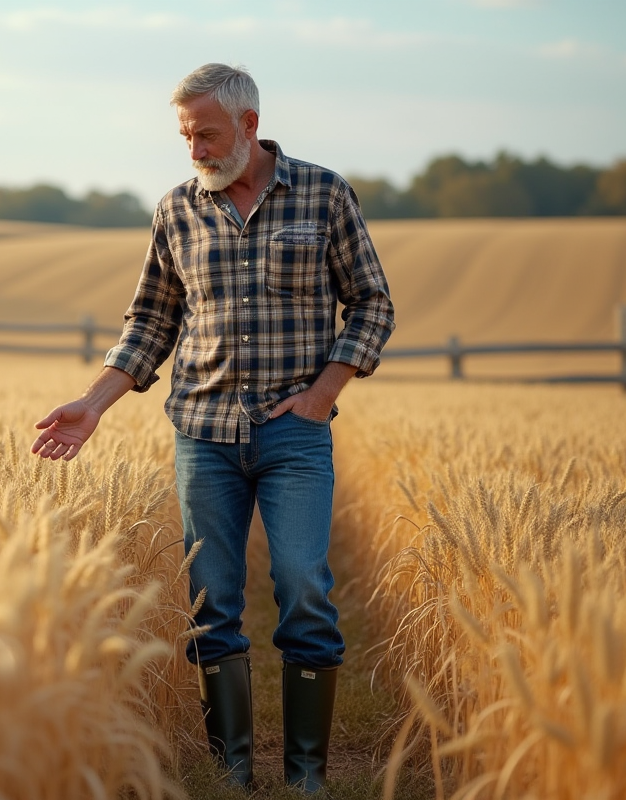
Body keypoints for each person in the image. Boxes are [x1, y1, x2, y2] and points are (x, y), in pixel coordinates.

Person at [31, 63, 394, 792]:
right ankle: (232, 773)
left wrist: (324, 394)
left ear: (250, 125)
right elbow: (151, 323)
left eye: (207, 133)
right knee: (211, 599)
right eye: (185, 135)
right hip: (202, 431)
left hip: (294, 431)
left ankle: (306, 776)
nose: (194, 148)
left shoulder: (323, 193)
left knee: (303, 585)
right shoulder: (175, 210)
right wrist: (93, 402)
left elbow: (372, 306)